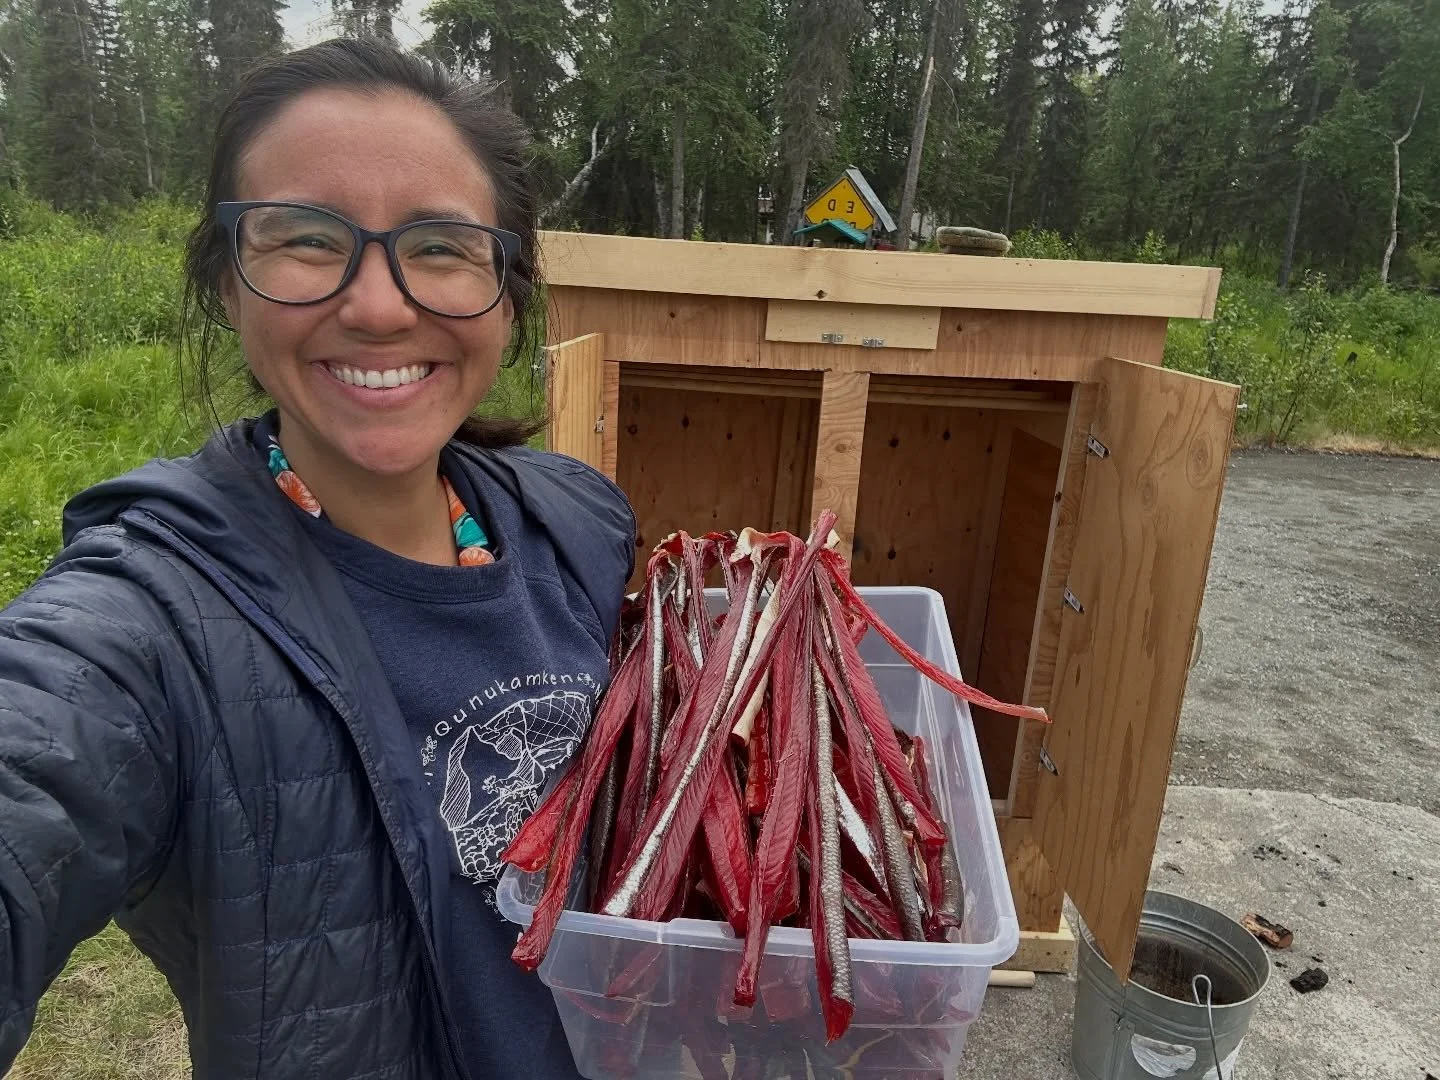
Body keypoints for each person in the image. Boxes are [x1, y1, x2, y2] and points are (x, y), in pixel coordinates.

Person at [0, 36, 635, 1080]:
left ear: (507, 290)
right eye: (303, 238)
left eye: (440, 246)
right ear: (225, 281)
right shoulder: (159, 622)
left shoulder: (580, 519)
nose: (380, 306)